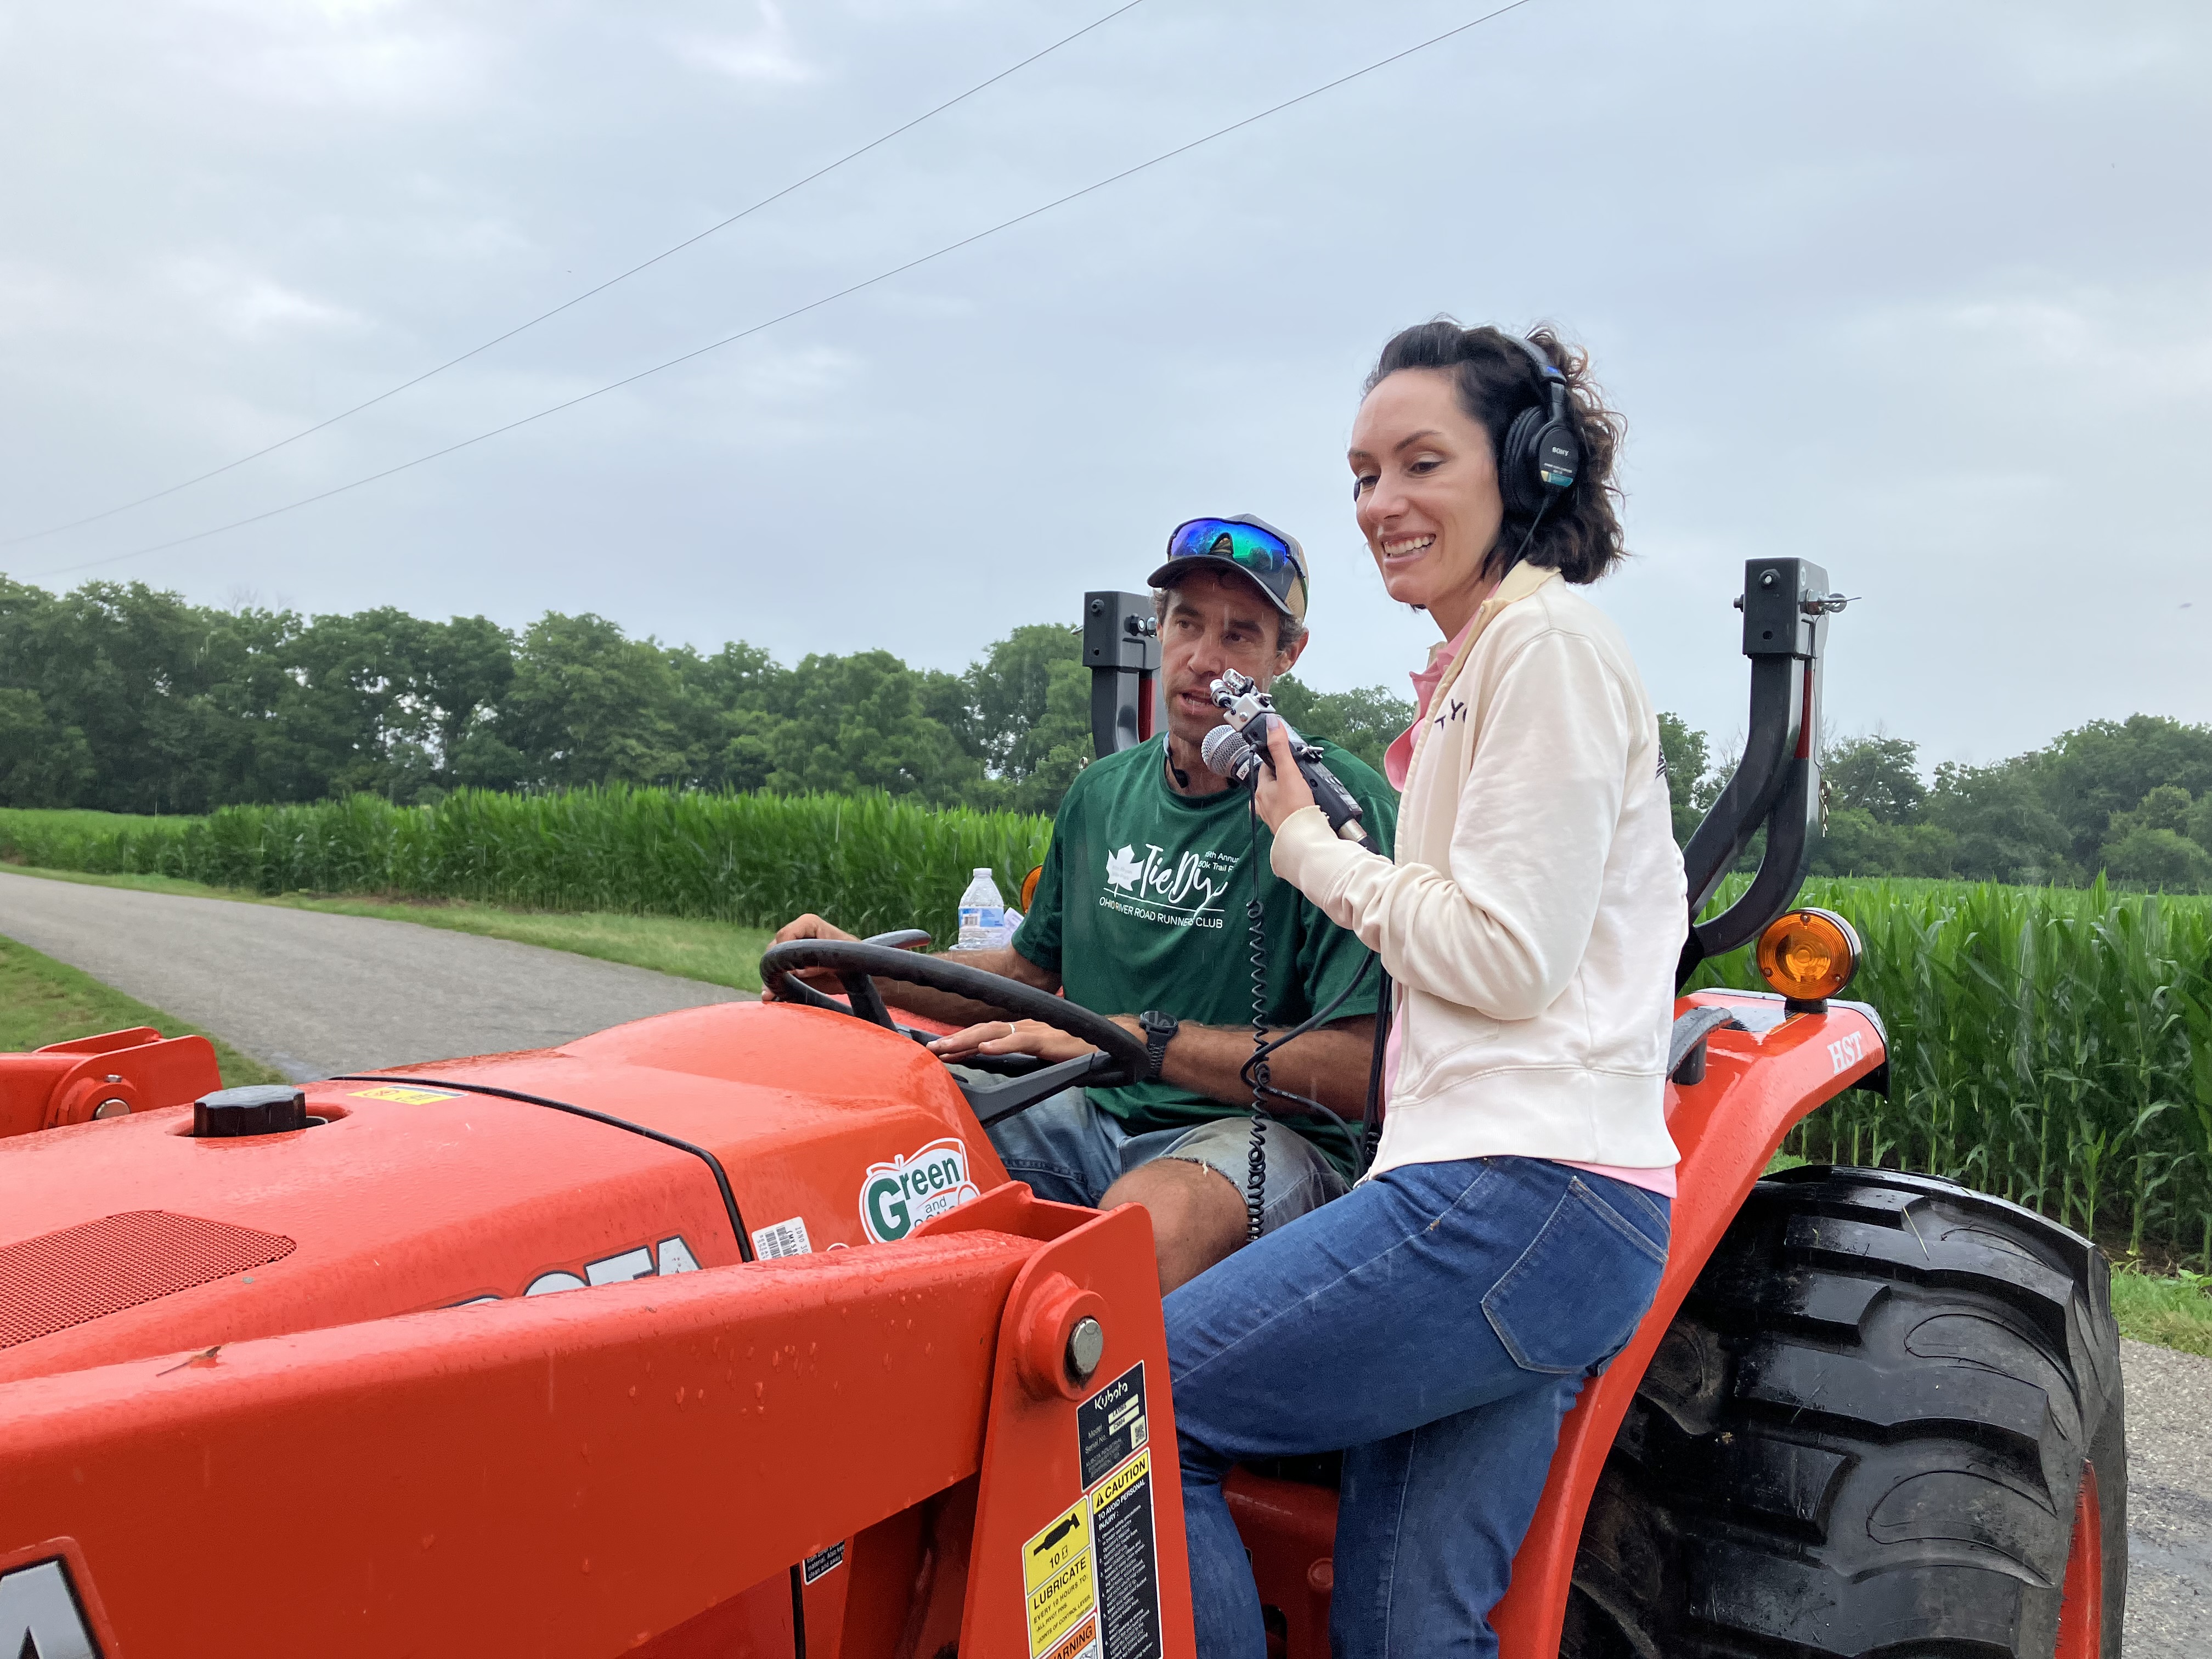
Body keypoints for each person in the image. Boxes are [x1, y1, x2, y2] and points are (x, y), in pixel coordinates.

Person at [1165, 323, 1687, 1657]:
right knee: (1408, 1630)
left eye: (1420, 463)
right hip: (1544, 1212)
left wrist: (1312, 853)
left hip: (1515, 1189)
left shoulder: (1545, 649)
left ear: (1527, 467)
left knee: (1140, 1401)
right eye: (1359, 475)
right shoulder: (1479, 668)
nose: (1379, 505)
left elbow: (1509, 960)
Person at [767, 515, 1398, 1292]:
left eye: (1239, 637)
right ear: (1158, 630)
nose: (1204, 661)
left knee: (1143, 1231)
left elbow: (1361, 1071)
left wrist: (1146, 1041)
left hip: (1256, 1139)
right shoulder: (1102, 793)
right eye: (1187, 625)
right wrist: (860, 964)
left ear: (1286, 656)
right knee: (870, 1132)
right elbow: (1030, 975)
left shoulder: (1334, 814)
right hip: (1086, 1110)